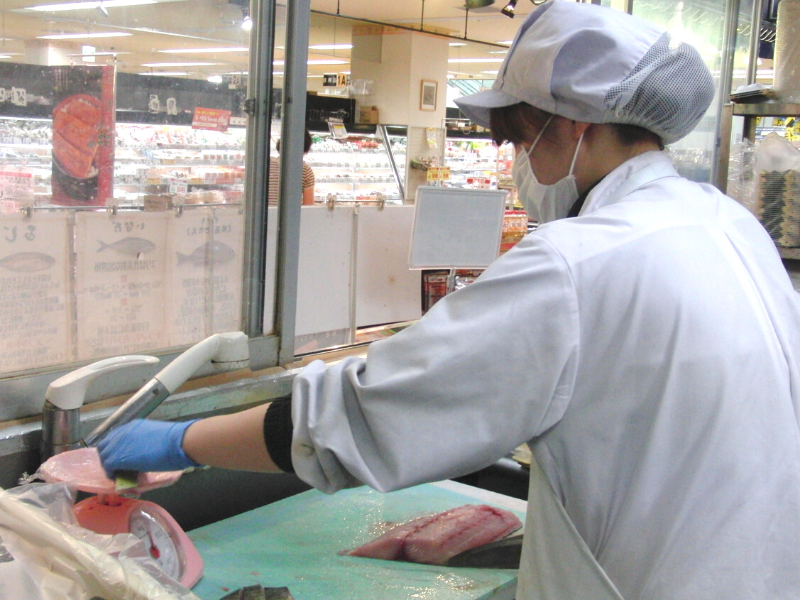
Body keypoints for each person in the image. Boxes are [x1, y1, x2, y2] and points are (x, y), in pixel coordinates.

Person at [97, 2, 800, 598]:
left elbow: (362, 418)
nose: (518, 163)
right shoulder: (727, 224)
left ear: (569, 125)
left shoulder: (574, 264)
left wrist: (179, 442)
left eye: (519, 137)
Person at [268, 129, 315, 206]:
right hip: (290, 214)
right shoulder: (305, 170)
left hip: (263, 213)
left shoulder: (266, 164)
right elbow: (308, 206)